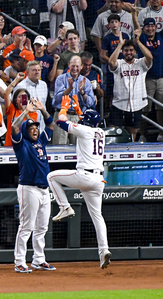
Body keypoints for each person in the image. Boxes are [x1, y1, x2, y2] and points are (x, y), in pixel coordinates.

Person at [47, 109, 111, 269]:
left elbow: (60, 122)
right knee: (98, 216)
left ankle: (65, 207)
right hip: (99, 179)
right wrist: (79, 111)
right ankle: (104, 251)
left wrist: (63, 107)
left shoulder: (85, 130)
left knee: (51, 177)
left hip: (85, 175)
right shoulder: (100, 132)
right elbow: (85, 122)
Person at [11, 98, 55, 273]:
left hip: (44, 190)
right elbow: (14, 126)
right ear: (26, 131)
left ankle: (38, 259)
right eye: (31, 128)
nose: (35, 130)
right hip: (28, 188)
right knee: (26, 226)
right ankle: (20, 261)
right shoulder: (21, 144)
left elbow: (51, 125)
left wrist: (42, 110)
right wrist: (26, 112)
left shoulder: (41, 142)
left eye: (36, 127)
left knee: (42, 227)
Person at [108, 32, 153, 142]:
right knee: (114, 130)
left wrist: (138, 42)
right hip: (119, 104)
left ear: (135, 52)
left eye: (131, 50)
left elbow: (150, 57)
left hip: (137, 104)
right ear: (122, 52)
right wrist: (120, 44)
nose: (129, 53)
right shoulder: (119, 64)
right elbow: (110, 62)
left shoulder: (141, 63)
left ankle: (129, 152)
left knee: (132, 132)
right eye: (126, 50)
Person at [52, 55, 95, 145]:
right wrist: (69, 89)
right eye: (73, 66)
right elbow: (57, 99)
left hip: (78, 117)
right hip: (62, 115)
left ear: (81, 67)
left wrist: (82, 92)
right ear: (68, 65)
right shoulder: (61, 78)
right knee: (59, 146)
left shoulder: (86, 81)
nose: (75, 68)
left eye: (77, 66)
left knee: (78, 146)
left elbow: (90, 103)